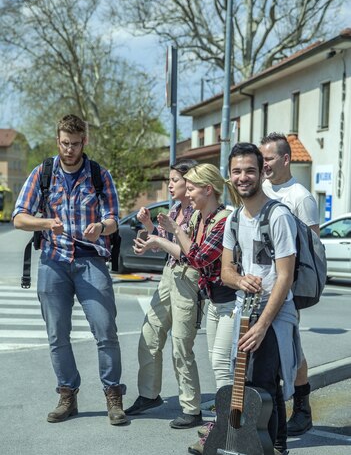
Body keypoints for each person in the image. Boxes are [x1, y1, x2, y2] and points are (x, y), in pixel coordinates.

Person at [13, 114, 127, 425]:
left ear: (84, 142)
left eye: (75, 144)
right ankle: (67, 394)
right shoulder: (43, 173)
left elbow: (114, 219)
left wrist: (102, 227)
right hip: (53, 262)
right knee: (57, 334)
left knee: (105, 330)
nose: (70, 149)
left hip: (91, 260)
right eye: (65, 143)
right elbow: (19, 217)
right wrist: (45, 222)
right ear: (58, 140)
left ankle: (113, 396)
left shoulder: (98, 175)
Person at [220, 142, 302, 455]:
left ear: (262, 172)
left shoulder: (279, 216)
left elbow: (285, 276)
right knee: (257, 391)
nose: (243, 177)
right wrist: (240, 281)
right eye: (237, 171)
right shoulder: (234, 218)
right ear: (229, 174)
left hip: (272, 315)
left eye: (249, 170)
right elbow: (225, 271)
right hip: (245, 312)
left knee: (261, 391)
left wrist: (264, 324)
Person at [146, 163, 240, 437]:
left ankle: (227, 428)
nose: (187, 193)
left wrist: (177, 229)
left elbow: (198, 258)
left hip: (231, 301)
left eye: (191, 187)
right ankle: (226, 423)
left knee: (223, 365)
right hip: (214, 300)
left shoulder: (225, 220)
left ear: (207, 189)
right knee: (217, 362)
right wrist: (165, 236)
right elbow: (189, 254)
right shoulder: (201, 219)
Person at [125, 159, 203, 429]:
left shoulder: (198, 212)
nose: (170, 184)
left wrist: (158, 239)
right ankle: (149, 395)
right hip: (169, 276)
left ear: (189, 182)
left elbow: (191, 255)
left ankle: (192, 408)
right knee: (150, 333)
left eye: (175, 180)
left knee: (181, 345)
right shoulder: (176, 209)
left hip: (187, 278)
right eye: (169, 180)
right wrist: (149, 230)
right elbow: (164, 246)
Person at [260, 132, 319, 436]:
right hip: (261, 285)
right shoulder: (262, 189)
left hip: (288, 287)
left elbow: (311, 250)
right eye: (262, 159)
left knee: (291, 350)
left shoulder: (301, 197)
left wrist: (295, 290)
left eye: (268, 158)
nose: (264, 164)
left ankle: (302, 409)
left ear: (285, 159)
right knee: (284, 349)